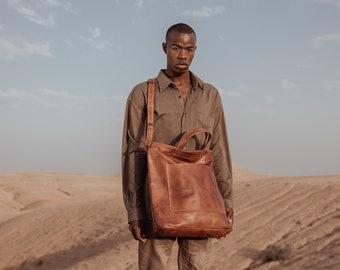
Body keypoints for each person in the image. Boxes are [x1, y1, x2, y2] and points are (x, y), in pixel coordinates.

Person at [122, 23, 233, 269]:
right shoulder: (142, 94)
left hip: (200, 201)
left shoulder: (210, 95)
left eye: (189, 49)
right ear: (164, 48)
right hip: (155, 201)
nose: (183, 55)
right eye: (176, 47)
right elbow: (134, 154)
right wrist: (134, 210)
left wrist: (227, 201)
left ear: (195, 51)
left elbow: (219, 150)